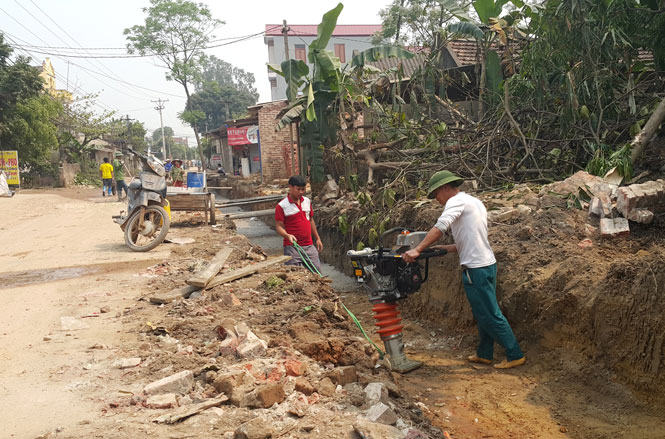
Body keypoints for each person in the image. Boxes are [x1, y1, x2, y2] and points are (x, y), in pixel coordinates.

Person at [402, 170, 526, 369]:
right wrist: (449, 248)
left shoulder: (455, 202)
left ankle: (514, 354)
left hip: (476, 267)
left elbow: (440, 226)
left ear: (445, 188)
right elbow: (473, 237)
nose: (436, 200)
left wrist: (418, 249)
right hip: (486, 263)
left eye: (436, 194)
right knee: (482, 311)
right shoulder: (474, 201)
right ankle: (484, 354)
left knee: (489, 313)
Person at [275, 175, 323, 272]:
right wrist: (287, 235)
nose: (301, 192)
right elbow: (279, 227)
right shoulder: (282, 206)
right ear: (291, 187)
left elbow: (310, 220)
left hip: (309, 245)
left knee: (317, 273)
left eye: (303, 189)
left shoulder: (307, 201)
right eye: (298, 189)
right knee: (294, 275)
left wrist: (317, 238)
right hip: (292, 248)